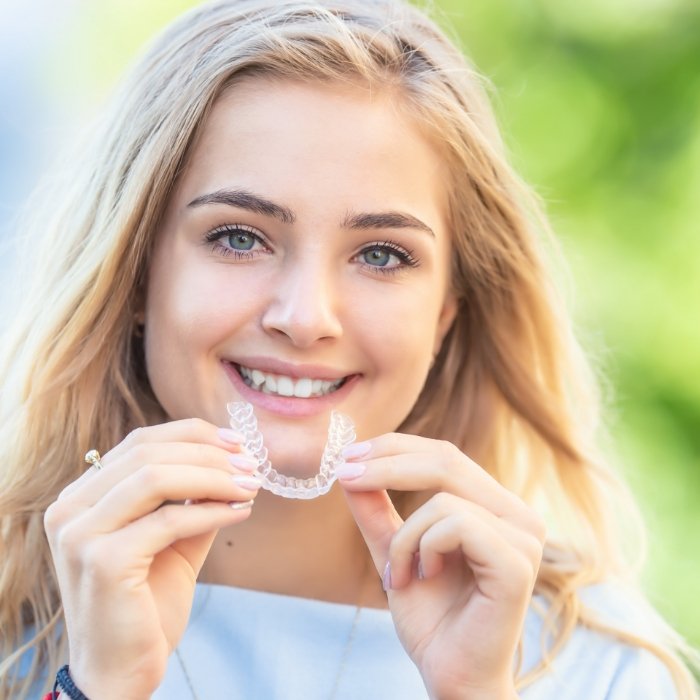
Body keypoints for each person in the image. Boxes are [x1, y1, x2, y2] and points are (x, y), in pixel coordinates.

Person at [0, 0, 697, 698]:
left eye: (382, 255)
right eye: (239, 237)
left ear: (447, 313)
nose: (306, 318)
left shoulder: (599, 668)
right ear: (137, 275)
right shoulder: (16, 635)